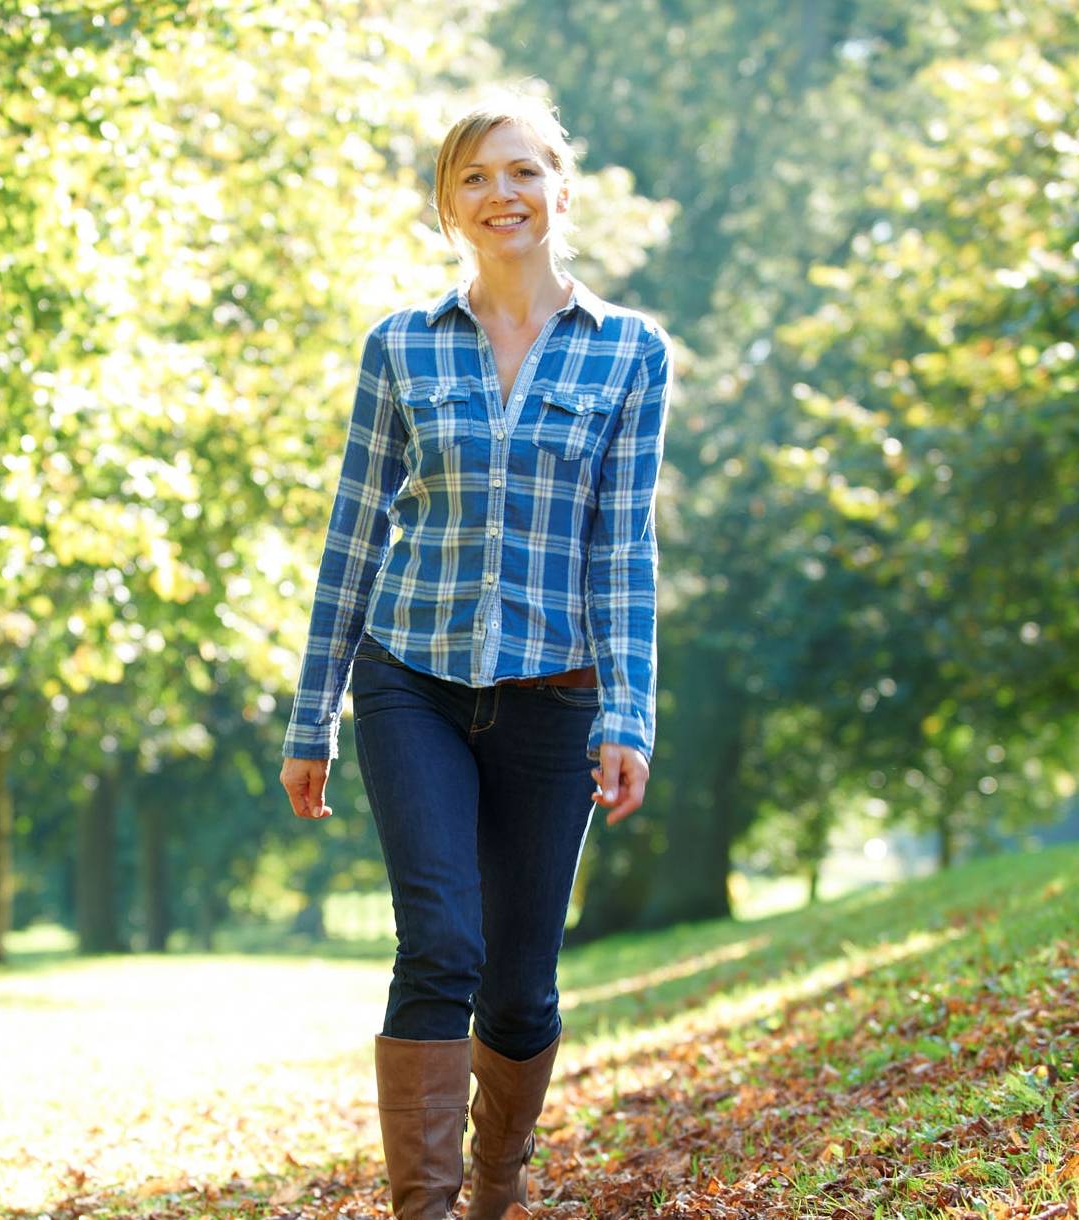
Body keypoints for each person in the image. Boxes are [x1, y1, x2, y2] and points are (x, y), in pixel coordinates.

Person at [279, 89, 670, 1220]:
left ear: (559, 187)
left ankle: (493, 1184)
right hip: (411, 677)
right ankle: (426, 1208)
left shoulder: (628, 354)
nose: (499, 195)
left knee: (517, 986)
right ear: (447, 205)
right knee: (438, 940)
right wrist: (314, 714)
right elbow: (353, 528)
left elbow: (621, 548)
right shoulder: (399, 345)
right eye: (473, 178)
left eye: (519, 172)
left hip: (555, 692)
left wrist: (626, 712)